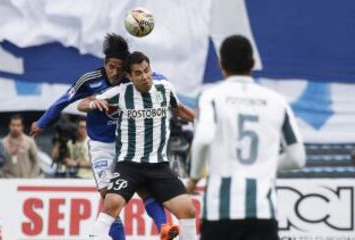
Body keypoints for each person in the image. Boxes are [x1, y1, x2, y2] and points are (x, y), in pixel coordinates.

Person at [30, 34, 172, 239]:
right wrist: (42, 122)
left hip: (128, 145)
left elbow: (155, 78)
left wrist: (163, 82)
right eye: (111, 67)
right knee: (108, 199)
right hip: (100, 146)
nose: (115, 73)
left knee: (144, 188)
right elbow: (64, 100)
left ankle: (164, 229)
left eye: (119, 68)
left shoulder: (130, 78)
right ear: (104, 63)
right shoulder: (90, 80)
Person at [187, 35, 306, 240]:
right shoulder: (277, 101)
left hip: (220, 213)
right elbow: (297, 158)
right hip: (262, 213)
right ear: (252, 64)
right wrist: (264, 165)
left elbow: (204, 138)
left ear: (221, 64)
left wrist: (194, 177)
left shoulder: (212, 97)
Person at [78, 51, 197, 240]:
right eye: (138, 73)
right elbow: (82, 104)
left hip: (159, 166)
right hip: (129, 165)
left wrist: (203, 120)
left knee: (188, 211)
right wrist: (95, 103)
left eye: (146, 70)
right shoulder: (121, 92)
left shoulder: (165, 88)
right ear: (129, 76)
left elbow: (180, 110)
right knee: (111, 204)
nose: (145, 76)